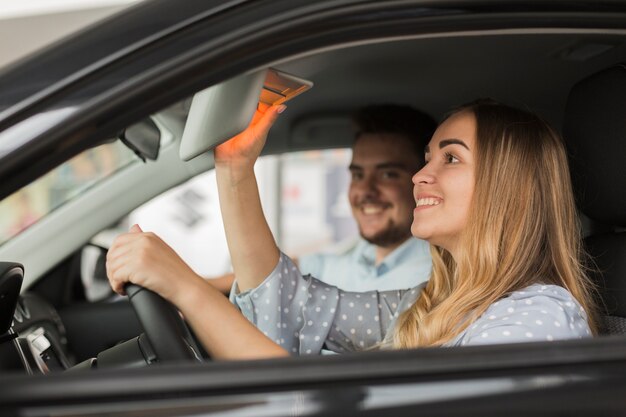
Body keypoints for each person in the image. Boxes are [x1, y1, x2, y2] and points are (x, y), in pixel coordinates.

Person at [107, 99, 598, 360]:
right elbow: (293, 304)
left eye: (450, 158)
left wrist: (186, 288)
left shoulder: (539, 321)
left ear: (507, 188)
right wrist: (235, 172)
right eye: (427, 157)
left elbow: (331, 403)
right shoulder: (435, 305)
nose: (419, 176)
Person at [209, 104, 436, 293]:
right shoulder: (361, 254)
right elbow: (277, 272)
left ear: (424, 180)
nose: (365, 191)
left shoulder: (434, 277)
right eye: (357, 174)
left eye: (388, 174)